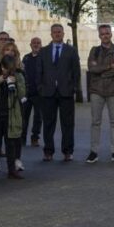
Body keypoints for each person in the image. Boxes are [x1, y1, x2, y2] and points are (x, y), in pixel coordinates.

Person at [38, 24, 80, 162]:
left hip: (66, 92)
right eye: (54, 32)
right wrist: (40, 88)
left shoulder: (71, 51)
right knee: (48, 123)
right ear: (51, 34)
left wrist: (74, 87)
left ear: (63, 33)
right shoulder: (43, 51)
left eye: (59, 32)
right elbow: (39, 71)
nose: (57, 34)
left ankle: (68, 151)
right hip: (48, 92)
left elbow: (76, 71)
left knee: (67, 123)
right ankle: (48, 151)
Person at [86, 25, 114, 164]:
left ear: (111, 34)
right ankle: (93, 151)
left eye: (107, 33)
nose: (105, 36)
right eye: (102, 34)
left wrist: (100, 72)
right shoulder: (94, 50)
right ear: (99, 35)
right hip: (97, 90)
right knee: (95, 122)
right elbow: (91, 68)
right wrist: (109, 67)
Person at [0, 48, 26, 180]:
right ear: (1, 66)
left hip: (11, 115)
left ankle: (11, 170)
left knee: (11, 144)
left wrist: (15, 83)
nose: (7, 72)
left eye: (10, 69)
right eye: (5, 69)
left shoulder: (18, 75)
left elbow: (23, 95)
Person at [21, 37, 43, 147]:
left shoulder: (44, 58)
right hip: (27, 92)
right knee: (24, 117)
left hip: (39, 94)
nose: (36, 45)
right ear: (30, 45)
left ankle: (35, 138)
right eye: (34, 43)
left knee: (38, 117)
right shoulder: (26, 58)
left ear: (41, 45)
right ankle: (22, 138)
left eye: (38, 43)